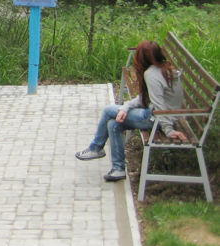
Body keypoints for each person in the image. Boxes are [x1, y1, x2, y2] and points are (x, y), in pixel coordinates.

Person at [75, 40, 187, 182]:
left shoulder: (152, 74)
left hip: (157, 119)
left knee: (108, 110)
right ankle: (118, 169)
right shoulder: (165, 68)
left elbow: (159, 106)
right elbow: (146, 98)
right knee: (113, 124)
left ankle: (96, 148)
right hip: (163, 116)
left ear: (141, 58)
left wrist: (169, 130)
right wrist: (125, 107)